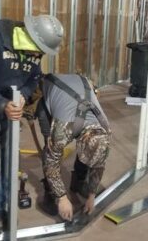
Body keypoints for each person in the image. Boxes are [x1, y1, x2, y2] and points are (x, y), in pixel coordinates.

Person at [0, 15, 64, 235]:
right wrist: (1, 104)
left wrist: (22, 95)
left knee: (9, 160)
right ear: (30, 37)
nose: (38, 55)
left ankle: (5, 204)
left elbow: (34, 78)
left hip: (10, 110)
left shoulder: (33, 51)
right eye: (39, 49)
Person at [35, 73, 111, 221]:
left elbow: (99, 165)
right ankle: (50, 194)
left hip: (76, 99)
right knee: (50, 152)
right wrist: (62, 198)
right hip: (50, 97)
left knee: (90, 156)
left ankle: (78, 182)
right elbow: (51, 162)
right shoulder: (63, 129)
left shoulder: (105, 131)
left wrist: (91, 196)